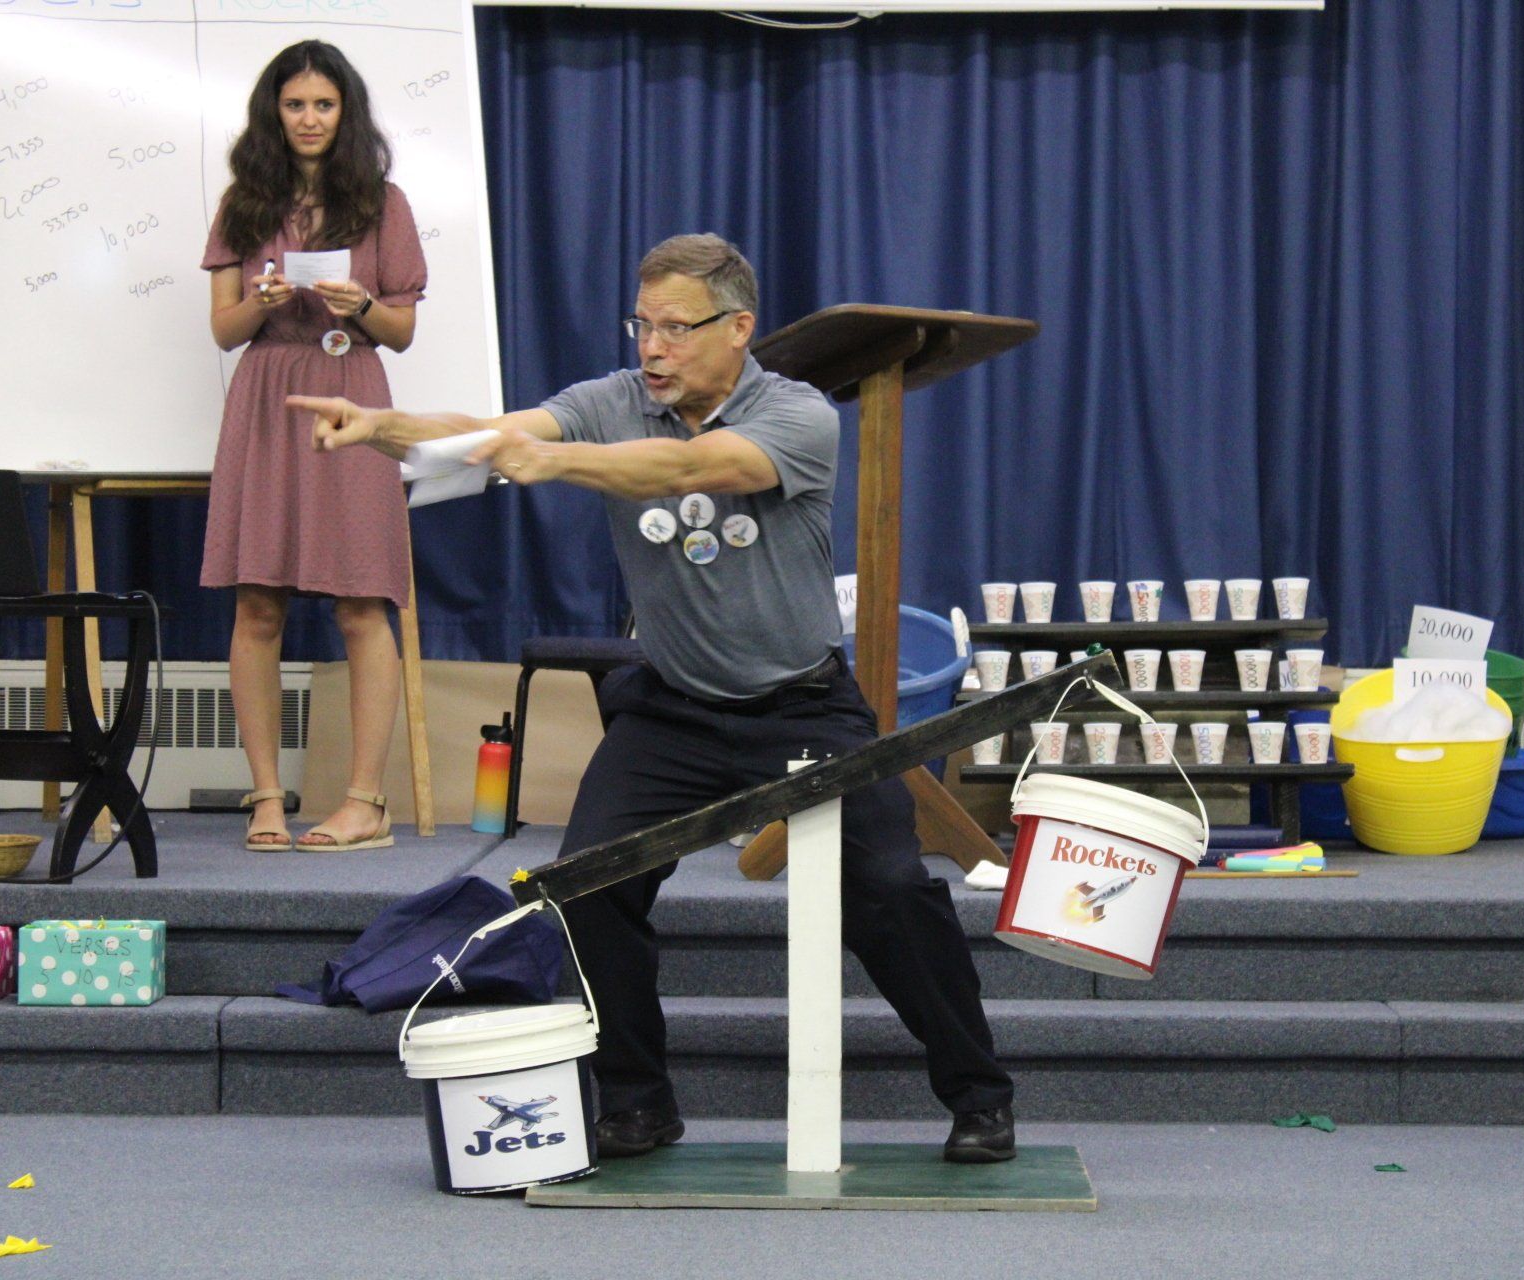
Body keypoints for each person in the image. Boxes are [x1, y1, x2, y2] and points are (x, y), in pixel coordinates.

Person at [287, 234, 1016, 1163]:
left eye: (677, 328)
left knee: (888, 888)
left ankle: (979, 1093)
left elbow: (687, 471)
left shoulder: (797, 415)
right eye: (643, 326)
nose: (654, 348)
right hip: (671, 708)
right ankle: (637, 1099)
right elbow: (496, 432)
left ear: (739, 328)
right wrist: (382, 429)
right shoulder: (611, 401)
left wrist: (558, 465)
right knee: (587, 884)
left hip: (802, 706)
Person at [201, 40, 426, 852]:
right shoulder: (244, 201)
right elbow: (224, 329)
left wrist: (361, 301)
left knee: (362, 600)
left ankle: (364, 800)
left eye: (323, 105)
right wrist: (264, 302)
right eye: (295, 105)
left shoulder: (383, 201)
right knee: (257, 600)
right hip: (266, 399)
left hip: (352, 396)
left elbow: (399, 331)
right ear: (275, 112)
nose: (309, 119)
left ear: (345, 112)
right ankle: (266, 798)